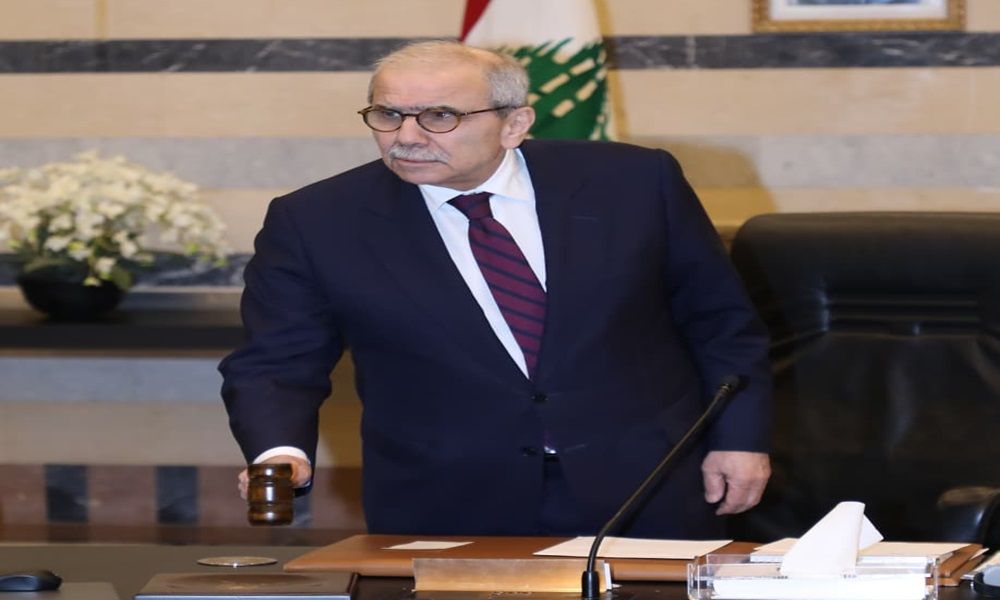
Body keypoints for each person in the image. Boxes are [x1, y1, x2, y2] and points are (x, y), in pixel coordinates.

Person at [219, 40, 771, 538]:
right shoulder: (316, 221)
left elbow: (719, 322)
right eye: (387, 115)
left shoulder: (635, 183)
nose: (406, 137)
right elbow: (277, 360)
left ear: (514, 124)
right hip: (446, 499)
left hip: (647, 483)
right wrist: (280, 450)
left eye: (440, 116)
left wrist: (740, 438)